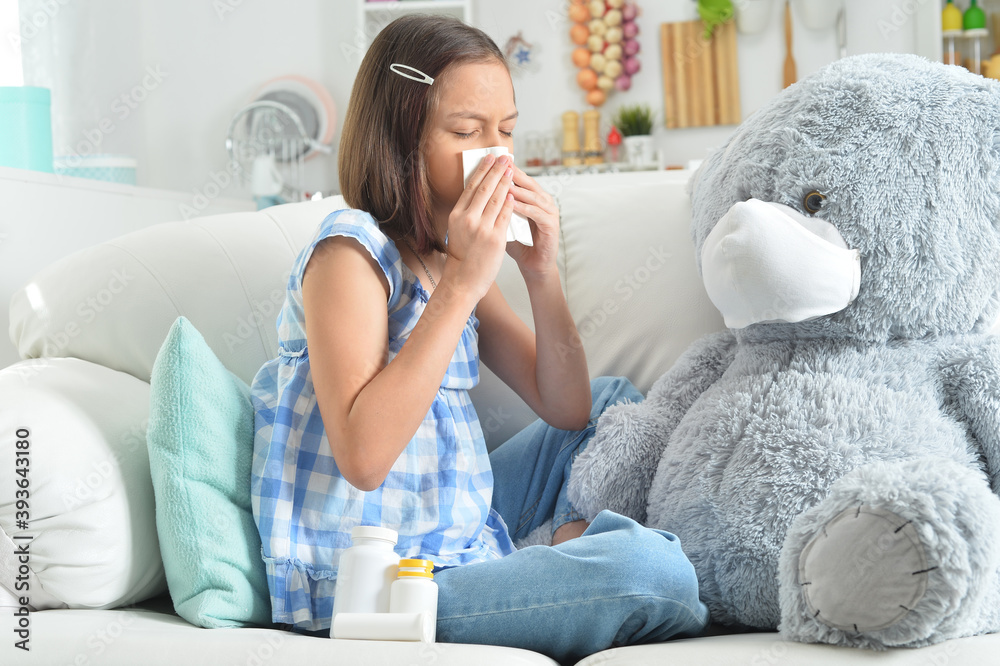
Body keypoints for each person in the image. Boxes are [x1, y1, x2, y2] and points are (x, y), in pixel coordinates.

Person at [249, 14, 709, 663]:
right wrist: (464, 284)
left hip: (455, 532)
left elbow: (569, 408)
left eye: (507, 131)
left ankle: (551, 553)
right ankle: (567, 559)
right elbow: (364, 460)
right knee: (652, 573)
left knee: (612, 402)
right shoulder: (349, 256)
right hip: (380, 585)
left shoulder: (446, 258)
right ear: (400, 139)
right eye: (466, 132)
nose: (495, 155)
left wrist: (541, 274)